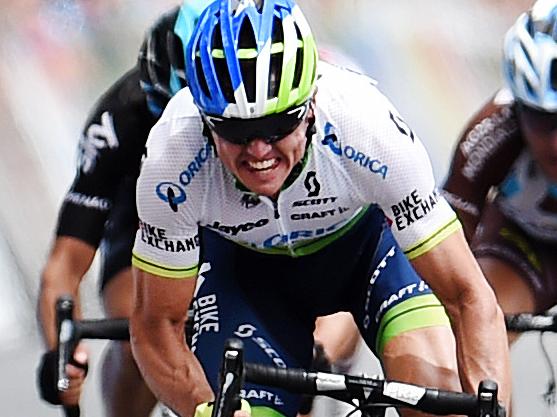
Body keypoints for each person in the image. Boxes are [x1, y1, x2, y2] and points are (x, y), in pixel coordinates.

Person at [129, 1, 511, 417]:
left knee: (438, 401)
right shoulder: (173, 156)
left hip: (367, 255)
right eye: (236, 130)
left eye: (278, 126)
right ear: (206, 120)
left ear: (310, 106)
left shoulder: (366, 126)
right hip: (248, 278)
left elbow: (469, 296)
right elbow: (156, 327)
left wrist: (490, 407)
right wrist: (204, 410)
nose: (259, 150)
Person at [35, 2, 212, 416]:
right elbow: (64, 265)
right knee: (141, 328)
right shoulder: (119, 117)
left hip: (235, 221)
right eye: (165, 113)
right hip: (143, 224)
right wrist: (62, 353)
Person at [443, 0, 557, 345]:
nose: (555, 144)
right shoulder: (494, 127)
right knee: (474, 333)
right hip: (524, 242)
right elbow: (445, 236)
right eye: (541, 119)